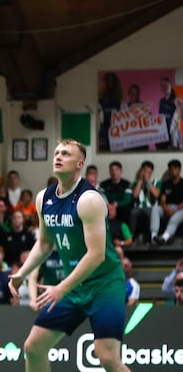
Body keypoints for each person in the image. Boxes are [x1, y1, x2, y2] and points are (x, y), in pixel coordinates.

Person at [8, 139, 129, 372]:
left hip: (104, 285)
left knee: (107, 357)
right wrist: (23, 273)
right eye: (56, 153)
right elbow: (44, 243)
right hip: (73, 287)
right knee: (33, 347)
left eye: (65, 153)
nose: (58, 157)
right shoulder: (44, 198)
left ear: (79, 164)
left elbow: (96, 255)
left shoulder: (89, 200)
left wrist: (62, 287)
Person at [128, 160, 162, 244]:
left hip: (152, 207)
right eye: (144, 170)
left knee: (151, 213)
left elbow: (156, 195)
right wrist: (140, 182)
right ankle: (131, 237)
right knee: (132, 213)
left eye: (147, 171)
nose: (145, 173)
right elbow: (135, 195)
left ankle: (152, 238)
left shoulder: (157, 182)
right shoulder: (136, 183)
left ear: (151, 171)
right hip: (138, 207)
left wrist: (148, 182)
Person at [153, 159, 183, 245]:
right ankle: (153, 237)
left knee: (176, 217)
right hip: (167, 207)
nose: (173, 171)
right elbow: (162, 200)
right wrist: (166, 208)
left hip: (180, 209)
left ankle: (164, 237)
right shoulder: (166, 184)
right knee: (155, 209)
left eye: (175, 168)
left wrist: (176, 209)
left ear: (179, 170)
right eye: (171, 169)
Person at [100, 161, 132, 226]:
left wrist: (117, 204)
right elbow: (102, 197)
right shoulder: (103, 184)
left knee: (125, 211)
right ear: (109, 172)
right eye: (112, 170)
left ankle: (125, 233)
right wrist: (109, 205)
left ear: (121, 171)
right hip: (108, 206)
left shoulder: (127, 184)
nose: (114, 172)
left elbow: (127, 200)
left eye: (116, 170)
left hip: (121, 207)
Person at [98, 72, 123, 152]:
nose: (110, 83)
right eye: (108, 81)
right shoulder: (101, 98)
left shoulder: (117, 97)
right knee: (103, 148)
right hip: (104, 127)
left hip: (115, 127)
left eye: (112, 81)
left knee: (115, 149)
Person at [158, 76, 183, 150]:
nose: (164, 87)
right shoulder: (161, 101)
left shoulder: (177, 100)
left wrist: (179, 107)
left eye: (166, 85)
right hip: (163, 135)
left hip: (174, 134)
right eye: (162, 85)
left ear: (170, 85)